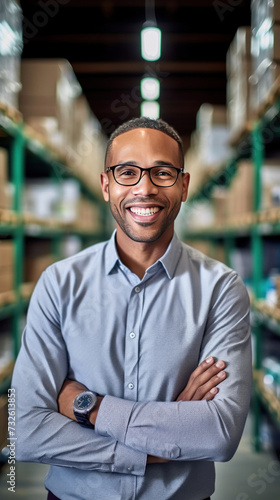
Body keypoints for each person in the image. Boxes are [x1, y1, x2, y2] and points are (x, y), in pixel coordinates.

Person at [12, 117, 252, 500]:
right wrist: (158, 445)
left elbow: (219, 433)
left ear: (184, 185)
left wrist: (88, 407)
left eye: (162, 172)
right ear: (106, 185)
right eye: (127, 173)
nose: (145, 188)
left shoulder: (220, 289)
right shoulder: (59, 283)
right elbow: (24, 430)